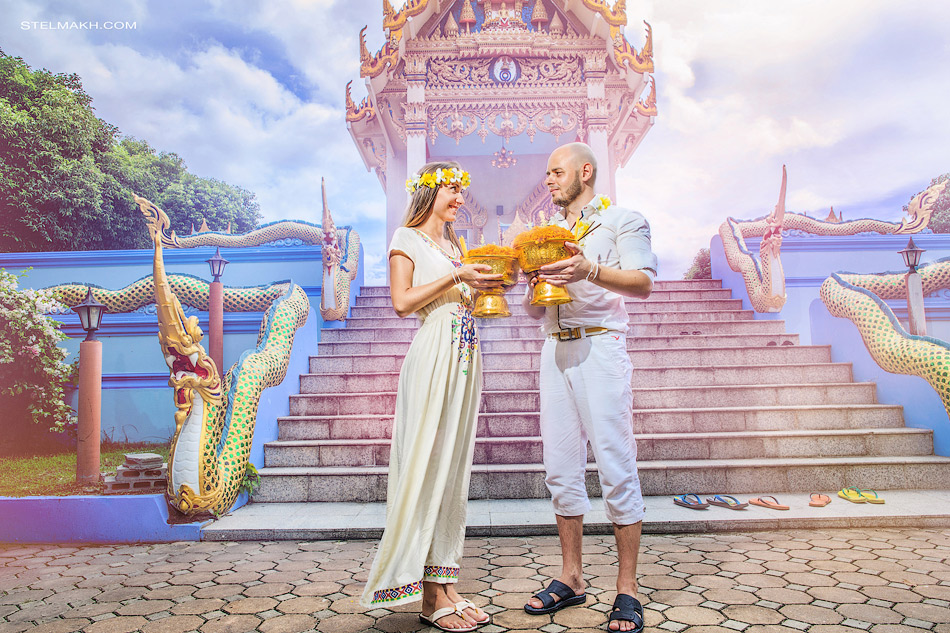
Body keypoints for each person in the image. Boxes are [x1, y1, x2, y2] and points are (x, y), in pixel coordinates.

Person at [360, 162, 503, 632]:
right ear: (429, 192)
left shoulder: (454, 244)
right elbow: (402, 302)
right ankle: (424, 596)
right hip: (433, 355)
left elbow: (463, 293)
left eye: (463, 192)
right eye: (452, 190)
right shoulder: (406, 238)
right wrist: (454, 275)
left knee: (451, 469)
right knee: (425, 465)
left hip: (464, 355)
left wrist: (486, 282)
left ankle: (446, 584)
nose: (461, 199)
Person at [522, 142, 657, 633]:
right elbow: (536, 310)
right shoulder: (548, 236)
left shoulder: (623, 219)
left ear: (585, 171)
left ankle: (627, 590)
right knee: (560, 469)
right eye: (547, 173)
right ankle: (572, 577)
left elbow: (643, 283)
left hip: (601, 348)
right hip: (554, 350)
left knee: (616, 465)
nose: (549, 181)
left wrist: (590, 270)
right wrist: (531, 285)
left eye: (556, 172)